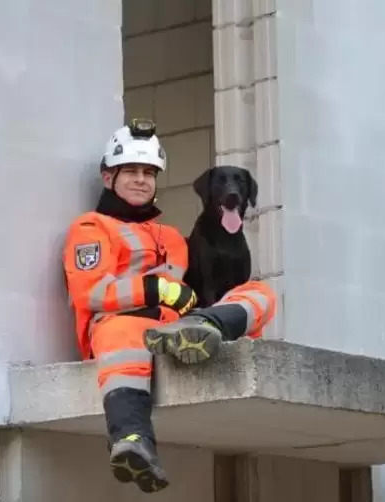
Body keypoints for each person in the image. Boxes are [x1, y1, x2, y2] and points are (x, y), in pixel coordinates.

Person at [62, 119, 276, 494]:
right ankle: (132, 439)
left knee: (260, 292)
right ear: (107, 176)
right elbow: (91, 292)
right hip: (120, 325)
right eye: (131, 171)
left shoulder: (172, 238)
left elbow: (188, 283)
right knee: (122, 330)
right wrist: (154, 288)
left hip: (175, 329)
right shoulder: (90, 228)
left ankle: (209, 326)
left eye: (149, 172)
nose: (142, 179)